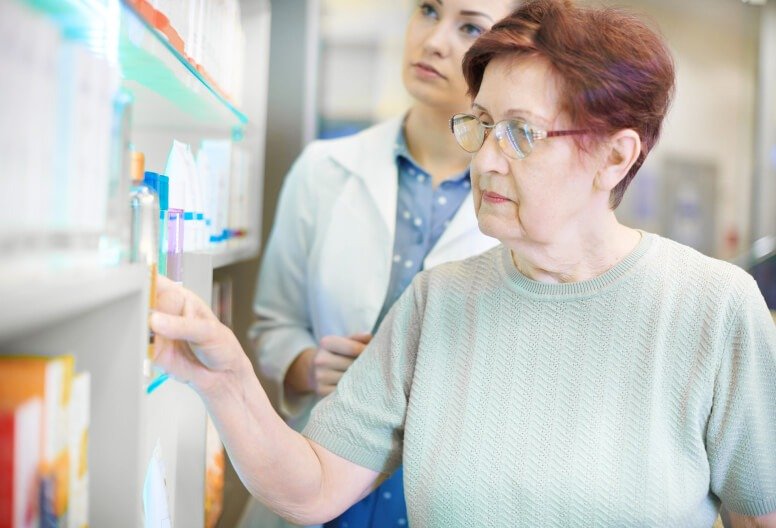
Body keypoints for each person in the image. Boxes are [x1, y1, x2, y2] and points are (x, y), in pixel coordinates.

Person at [149, 0, 776, 526]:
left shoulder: (713, 308)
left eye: (521, 134)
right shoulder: (438, 301)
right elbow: (312, 488)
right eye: (481, 125)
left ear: (615, 157)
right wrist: (226, 381)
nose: (486, 161)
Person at [245, 1, 515, 526]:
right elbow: (273, 323)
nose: (434, 41)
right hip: (314, 477)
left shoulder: (518, 202)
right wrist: (305, 365)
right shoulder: (324, 169)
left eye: (469, 27)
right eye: (429, 10)